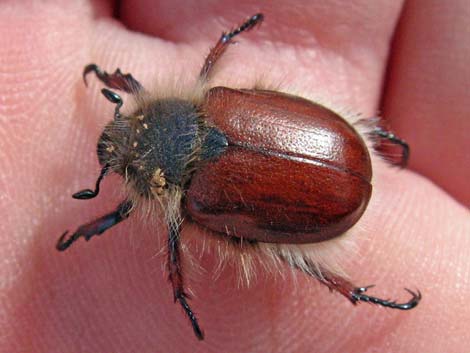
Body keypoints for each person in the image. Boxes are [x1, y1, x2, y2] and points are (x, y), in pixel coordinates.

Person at [1, 1, 468, 352]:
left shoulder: (196, 199)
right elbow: (182, 71)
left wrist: (172, 287)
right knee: (278, 252)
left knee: (280, 253)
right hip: (333, 164)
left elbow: (152, 242)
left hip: (335, 154)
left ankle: (348, 281)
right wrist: (224, 39)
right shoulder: (214, 106)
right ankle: (350, 281)